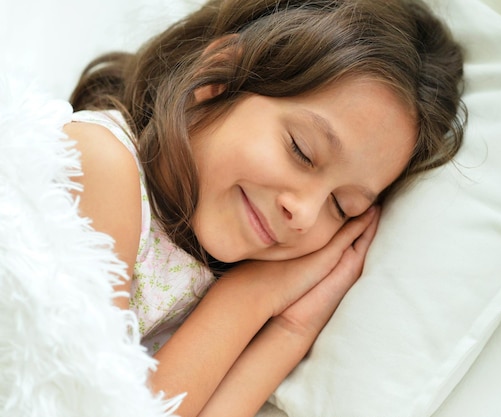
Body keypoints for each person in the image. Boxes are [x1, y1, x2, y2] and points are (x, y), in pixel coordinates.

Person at [64, 0, 466, 415]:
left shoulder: (214, 276)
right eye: (302, 151)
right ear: (218, 76)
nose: (305, 214)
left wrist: (292, 327)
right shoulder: (100, 164)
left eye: (340, 206)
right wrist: (249, 299)